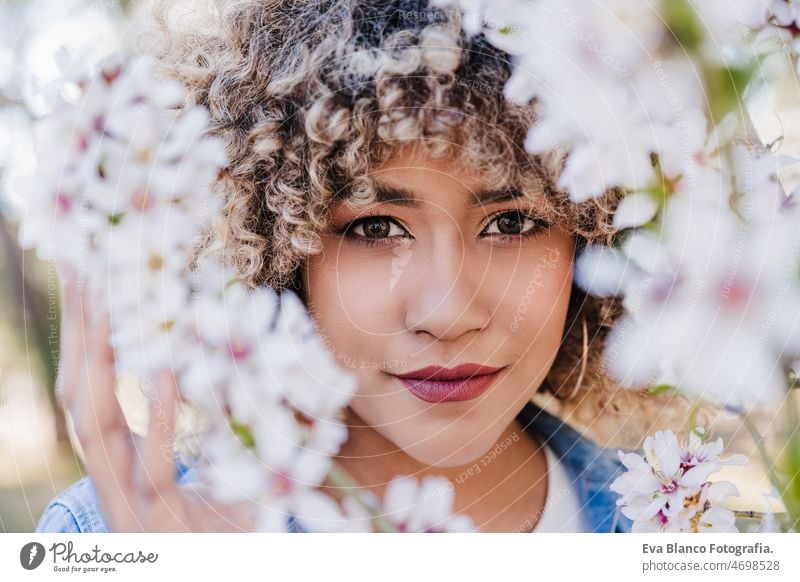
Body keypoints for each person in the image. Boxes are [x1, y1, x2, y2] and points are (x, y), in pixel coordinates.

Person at [36, 0, 687, 533]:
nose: (447, 313)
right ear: (274, 247)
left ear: (598, 240)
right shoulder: (116, 538)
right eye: (376, 227)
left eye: (512, 222)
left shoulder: (683, 529)